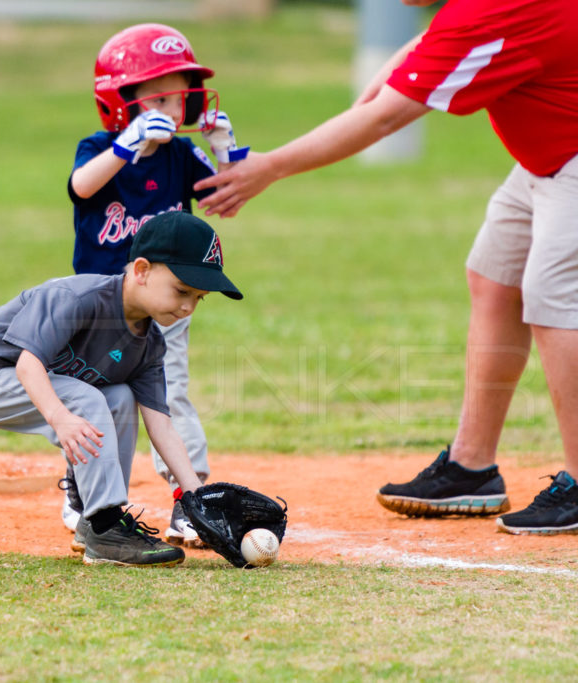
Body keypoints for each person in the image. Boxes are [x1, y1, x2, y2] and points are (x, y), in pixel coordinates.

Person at [193, 0, 578, 534]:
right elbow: (420, 53)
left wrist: (270, 168)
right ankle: (472, 468)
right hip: (550, 159)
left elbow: (385, 118)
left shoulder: (491, 11)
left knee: (552, 299)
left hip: (570, 161)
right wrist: (378, 92)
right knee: (495, 277)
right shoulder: (468, 12)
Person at [0, 211, 244, 566]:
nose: (188, 306)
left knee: (119, 397)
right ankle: (107, 530)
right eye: (182, 290)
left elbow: (161, 425)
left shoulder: (150, 346)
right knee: (86, 397)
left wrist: (196, 497)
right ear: (141, 271)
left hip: (35, 382)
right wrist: (59, 417)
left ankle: (97, 521)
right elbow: (28, 364)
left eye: (199, 297)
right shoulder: (79, 298)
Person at [61, 23, 249, 547]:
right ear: (121, 102)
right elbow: (82, 186)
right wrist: (125, 148)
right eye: (159, 96)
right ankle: (85, 494)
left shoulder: (179, 156)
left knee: (171, 397)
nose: (174, 106)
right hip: (99, 308)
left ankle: (192, 501)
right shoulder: (100, 148)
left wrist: (226, 149)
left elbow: (225, 199)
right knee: (93, 398)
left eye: (180, 95)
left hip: (167, 305)